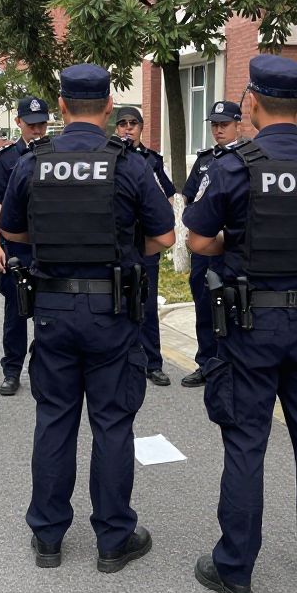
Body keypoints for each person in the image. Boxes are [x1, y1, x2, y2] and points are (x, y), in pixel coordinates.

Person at [183, 54, 297, 593]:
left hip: (249, 324)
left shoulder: (232, 166)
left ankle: (234, 571)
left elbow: (197, 240)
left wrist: (235, 243)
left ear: (251, 103)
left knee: (245, 446)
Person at [0, 64, 175, 573]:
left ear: (60, 106)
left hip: (52, 310)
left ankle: (49, 538)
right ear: (107, 108)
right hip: (111, 311)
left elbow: (12, 233)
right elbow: (164, 237)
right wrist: (119, 246)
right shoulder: (129, 164)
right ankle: (112, 540)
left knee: (54, 420)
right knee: (112, 424)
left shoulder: (32, 163)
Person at [0, 96, 50, 396]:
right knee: (15, 312)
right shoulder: (5, 159)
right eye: (31, 124)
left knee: (48, 313)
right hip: (16, 250)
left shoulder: (57, 156)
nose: (37, 130)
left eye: (42, 124)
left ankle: (46, 368)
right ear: (19, 123)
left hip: (48, 249)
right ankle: (12, 370)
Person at [179, 99, 242, 388]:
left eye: (224, 125)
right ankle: (206, 363)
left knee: (233, 309)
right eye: (215, 125)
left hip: (231, 248)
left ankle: (232, 364)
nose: (218, 130)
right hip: (205, 249)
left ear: (238, 125)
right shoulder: (205, 160)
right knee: (205, 307)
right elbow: (191, 200)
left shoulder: (247, 159)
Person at [114, 106, 175, 387]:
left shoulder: (152, 161)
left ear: (141, 127)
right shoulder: (110, 159)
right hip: (119, 244)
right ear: (116, 128)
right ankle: (123, 359)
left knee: (147, 305)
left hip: (146, 245)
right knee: (118, 302)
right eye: (123, 124)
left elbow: (167, 198)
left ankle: (154, 363)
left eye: (133, 124)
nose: (128, 128)